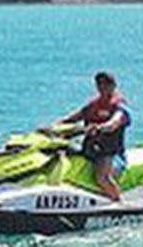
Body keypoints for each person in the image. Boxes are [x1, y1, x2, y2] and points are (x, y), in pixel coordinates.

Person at [56, 71, 131, 201]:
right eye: (99, 84)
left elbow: (114, 123)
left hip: (111, 152)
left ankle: (118, 203)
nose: (102, 87)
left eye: (106, 84)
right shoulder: (93, 105)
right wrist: (53, 127)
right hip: (92, 149)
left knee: (102, 177)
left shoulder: (119, 106)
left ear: (113, 85)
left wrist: (101, 127)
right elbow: (72, 118)